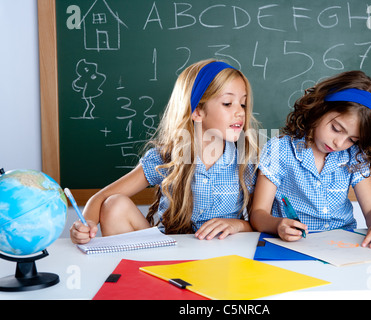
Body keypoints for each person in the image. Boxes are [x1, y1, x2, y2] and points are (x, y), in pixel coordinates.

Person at [70, 59, 259, 244]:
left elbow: (260, 222)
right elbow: (100, 198)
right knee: (114, 205)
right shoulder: (166, 158)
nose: (240, 112)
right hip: (170, 255)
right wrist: (85, 226)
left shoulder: (247, 159)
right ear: (197, 111)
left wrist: (238, 225)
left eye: (242, 104)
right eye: (228, 103)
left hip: (222, 260)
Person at [250, 70, 371, 249]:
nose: (339, 143)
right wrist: (277, 225)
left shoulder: (354, 155)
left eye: (352, 139)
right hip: (293, 245)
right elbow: (258, 214)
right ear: (320, 109)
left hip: (342, 245)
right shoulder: (280, 149)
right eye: (336, 128)